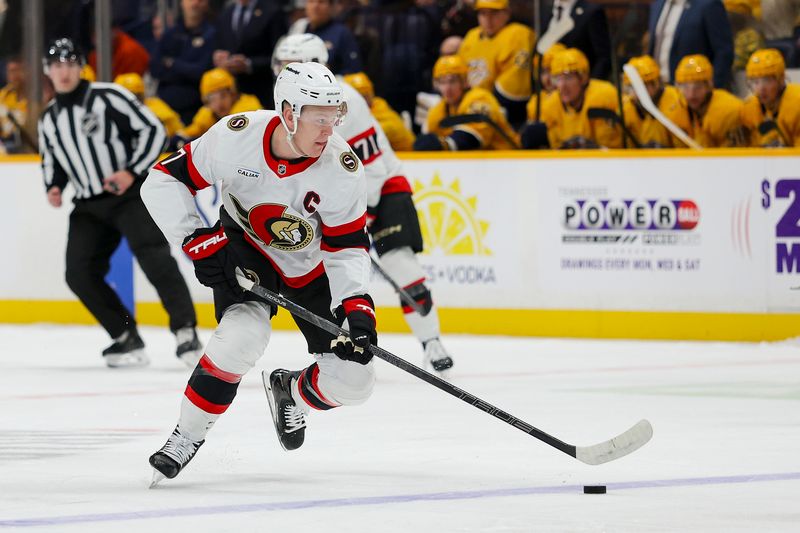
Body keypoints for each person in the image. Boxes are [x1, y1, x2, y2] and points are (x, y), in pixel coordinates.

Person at [143, 61, 378, 483]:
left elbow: (346, 247)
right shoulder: (237, 136)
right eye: (319, 119)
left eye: (334, 117)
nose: (329, 130)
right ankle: (185, 436)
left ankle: (293, 392)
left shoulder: (342, 168)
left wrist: (357, 307)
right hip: (247, 249)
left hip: (312, 269)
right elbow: (161, 180)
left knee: (355, 381)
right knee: (242, 336)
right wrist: (197, 238)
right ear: (288, 113)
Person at [273, 34, 454, 374]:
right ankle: (340, 349)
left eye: (296, 65)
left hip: (381, 188)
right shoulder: (286, 105)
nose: (288, 72)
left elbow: (370, 166)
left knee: (401, 265)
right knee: (332, 279)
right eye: (283, 66)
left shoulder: (343, 100)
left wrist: (360, 217)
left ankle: (431, 341)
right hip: (339, 200)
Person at [37, 38, 201, 369]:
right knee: (79, 273)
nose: (63, 72)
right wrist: (54, 186)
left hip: (129, 195)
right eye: (56, 66)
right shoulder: (49, 117)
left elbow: (153, 130)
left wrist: (130, 171)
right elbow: (52, 157)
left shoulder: (108, 96)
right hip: (88, 204)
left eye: (69, 64)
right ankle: (125, 334)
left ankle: (185, 331)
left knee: (155, 258)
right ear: (47, 71)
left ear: (81, 67)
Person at [522, 47, 622, 149]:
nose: (562, 86)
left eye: (568, 78)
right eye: (558, 79)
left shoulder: (603, 96)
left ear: (583, 78)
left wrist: (592, 147)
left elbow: (612, 150)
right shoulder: (550, 106)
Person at [416, 55, 519, 151]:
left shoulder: (480, 98)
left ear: (464, 82)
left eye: (452, 81)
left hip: (510, 158)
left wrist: (444, 144)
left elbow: (471, 138)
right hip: (480, 161)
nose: (447, 88)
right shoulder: (439, 110)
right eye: (442, 82)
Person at [457, 0, 535, 126]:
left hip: (507, 111)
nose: (488, 19)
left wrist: (485, 102)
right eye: (483, 13)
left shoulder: (518, 34)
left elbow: (514, 84)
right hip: (470, 103)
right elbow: (459, 74)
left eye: (494, 13)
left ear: (507, 13)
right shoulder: (471, 36)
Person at [150, 0, 217, 124]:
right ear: (181, 2)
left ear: (206, 3)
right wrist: (186, 69)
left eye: (200, 0)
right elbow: (155, 68)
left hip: (196, 110)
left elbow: (201, 72)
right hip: (165, 107)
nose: (194, 3)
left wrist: (172, 63)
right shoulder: (170, 34)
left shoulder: (212, 35)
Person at [214, 0, 287, 107]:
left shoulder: (272, 11)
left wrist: (249, 64)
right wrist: (220, 57)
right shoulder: (226, 13)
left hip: (263, 91)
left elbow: (280, 57)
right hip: (232, 96)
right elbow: (221, 45)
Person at [648, 0, 734, 89]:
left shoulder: (709, 5)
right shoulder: (658, 4)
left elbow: (724, 52)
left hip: (692, 90)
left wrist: (712, 88)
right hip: (658, 89)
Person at [172, 68, 262, 148]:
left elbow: (231, 139)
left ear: (233, 95)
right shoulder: (208, 113)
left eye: (223, 96)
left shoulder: (247, 107)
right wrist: (179, 138)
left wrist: (185, 143)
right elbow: (188, 132)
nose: (219, 104)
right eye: (212, 99)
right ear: (207, 103)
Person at [674, 54, 746, 147]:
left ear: (709, 85)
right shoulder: (678, 108)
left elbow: (735, 154)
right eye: (685, 87)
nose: (691, 94)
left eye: (698, 87)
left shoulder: (728, 110)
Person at [621, 55, 689, 148]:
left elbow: (685, 147)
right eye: (633, 87)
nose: (639, 92)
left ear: (656, 83)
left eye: (644, 85)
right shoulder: (626, 107)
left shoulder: (676, 101)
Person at [740, 48, 800, 146]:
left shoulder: (797, 103)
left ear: (781, 79)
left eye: (767, 80)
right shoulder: (749, 109)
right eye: (755, 82)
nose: (761, 88)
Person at [540, 0, 612, 80]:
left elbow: (604, 58)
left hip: (579, 82)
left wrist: (591, 84)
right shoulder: (544, 11)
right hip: (548, 83)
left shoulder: (591, 11)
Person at [344, 71, 416, 151]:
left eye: (367, 93)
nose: (366, 97)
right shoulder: (377, 103)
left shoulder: (377, 109)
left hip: (408, 153)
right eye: (362, 95)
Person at [288, 0, 363, 74]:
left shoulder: (342, 33)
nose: (315, 6)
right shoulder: (299, 28)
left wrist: (329, 75)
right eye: (311, 1)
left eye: (321, 2)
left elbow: (354, 69)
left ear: (331, 7)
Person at [114, 73, 185, 137]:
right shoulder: (113, 113)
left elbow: (180, 132)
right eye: (128, 96)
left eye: (137, 95)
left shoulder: (156, 105)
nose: (133, 99)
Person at [526, 42, 566, 123]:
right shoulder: (535, 103)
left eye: (551, 69)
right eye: (543, 72)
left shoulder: (578, 101)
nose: (547, 78)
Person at [0, 57, 27, 153]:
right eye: (11, 71)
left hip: (28, 147)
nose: (14, 75)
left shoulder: (35, 96)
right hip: (4, 148)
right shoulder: (2, 96)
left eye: (18, 70)